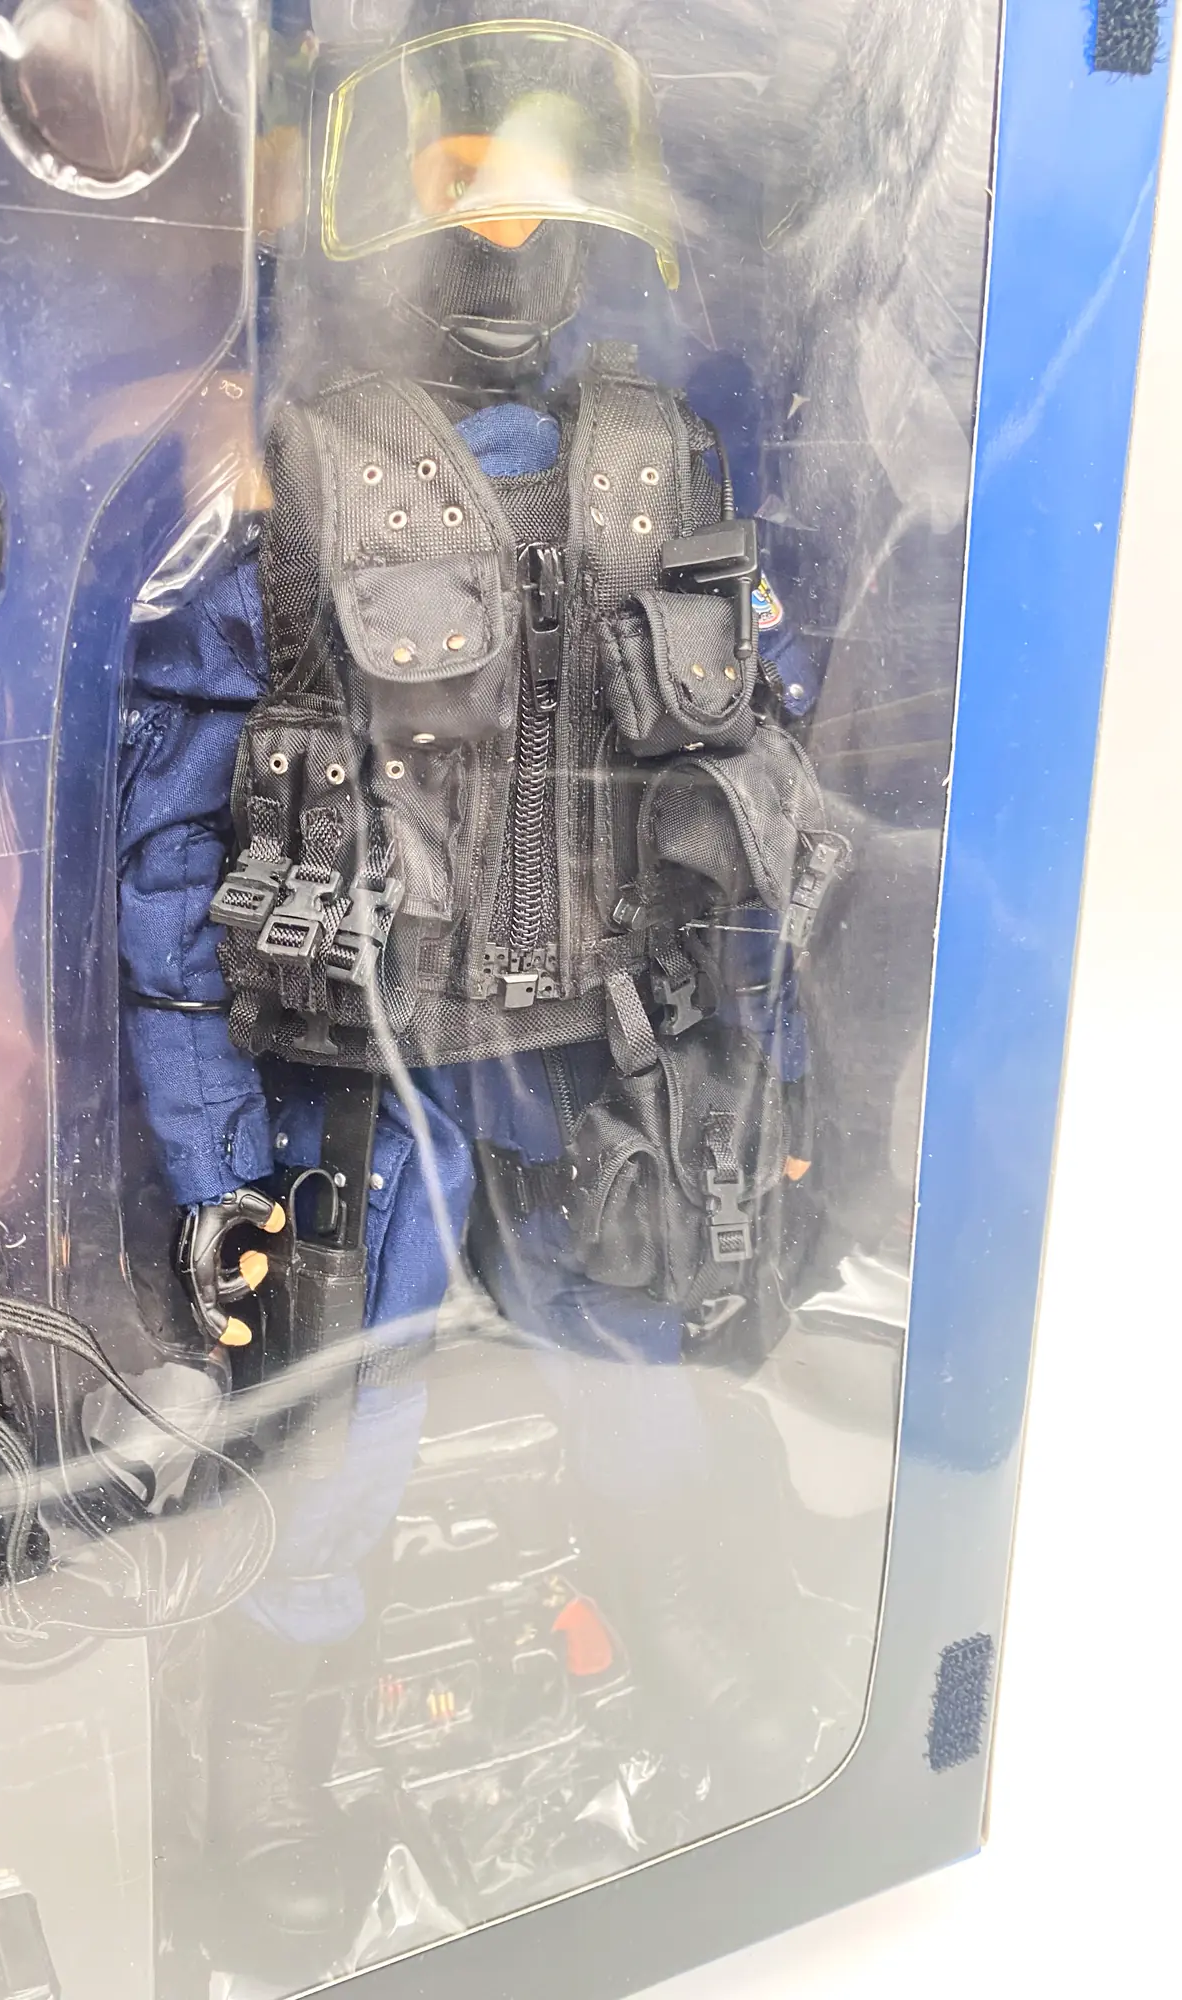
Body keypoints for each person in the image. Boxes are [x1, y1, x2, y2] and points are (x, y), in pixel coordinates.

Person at [117, 2, 840, 1969]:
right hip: (365, 1071)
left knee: (647, 1382)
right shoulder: (295, 480)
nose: (510, 235)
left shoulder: (661, 466)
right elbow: (175, 857)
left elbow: (752, 811)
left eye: (544, 189)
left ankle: (678, 1606)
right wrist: (213, 1171)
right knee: (332, 1432)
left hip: (601, 1056)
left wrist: (763, 1083)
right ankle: (278, 1715)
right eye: (464, 187)